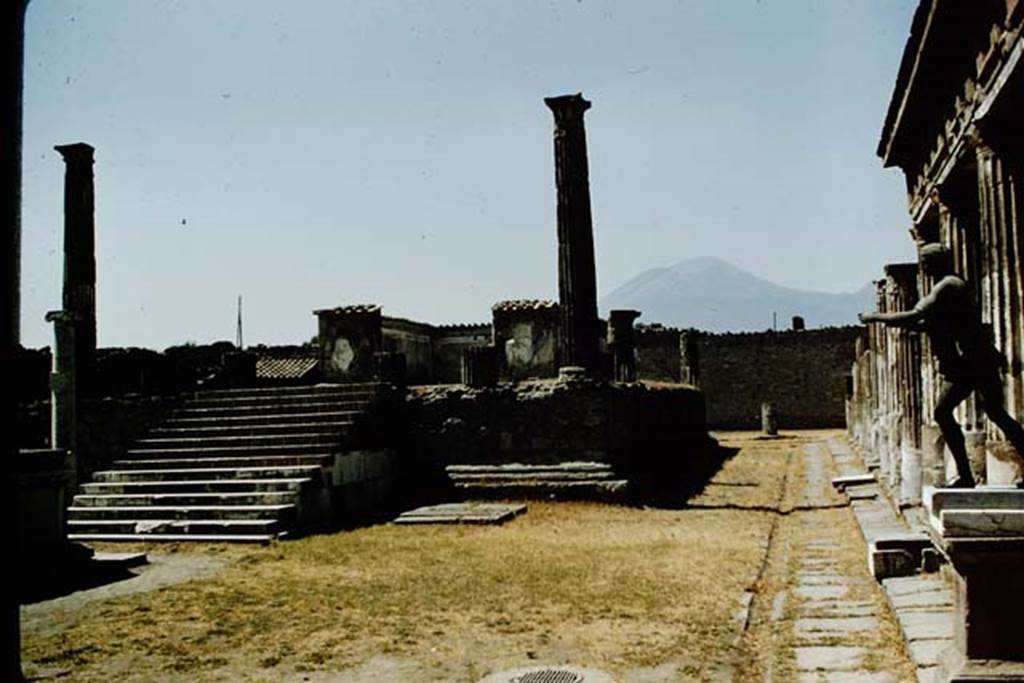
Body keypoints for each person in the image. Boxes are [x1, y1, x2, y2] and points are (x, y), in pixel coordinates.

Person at [859, 243, 1024, 488]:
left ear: (936, 261)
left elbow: (915, 315)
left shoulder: (948, 285)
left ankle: (967, 477)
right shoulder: (949, 285)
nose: (923, 268)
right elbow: (930, 324)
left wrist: (876, 317)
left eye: (925, 262)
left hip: (974, 361)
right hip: (972, 360)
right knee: (991, 414)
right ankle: (966, 476)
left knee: (947, 412)